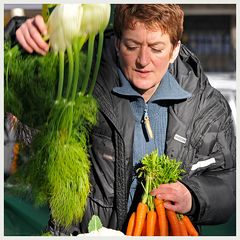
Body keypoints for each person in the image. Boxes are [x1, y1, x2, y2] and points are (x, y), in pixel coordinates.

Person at [6, 4, 235, 235]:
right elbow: (25, 107)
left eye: (156, 48)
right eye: (132, 46)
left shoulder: (206, 106)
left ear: (175, 49)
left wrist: (193, 196)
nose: (143, 60)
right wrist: (20, 42)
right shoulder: (83, 81)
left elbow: (228, 182)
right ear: (117, 43)